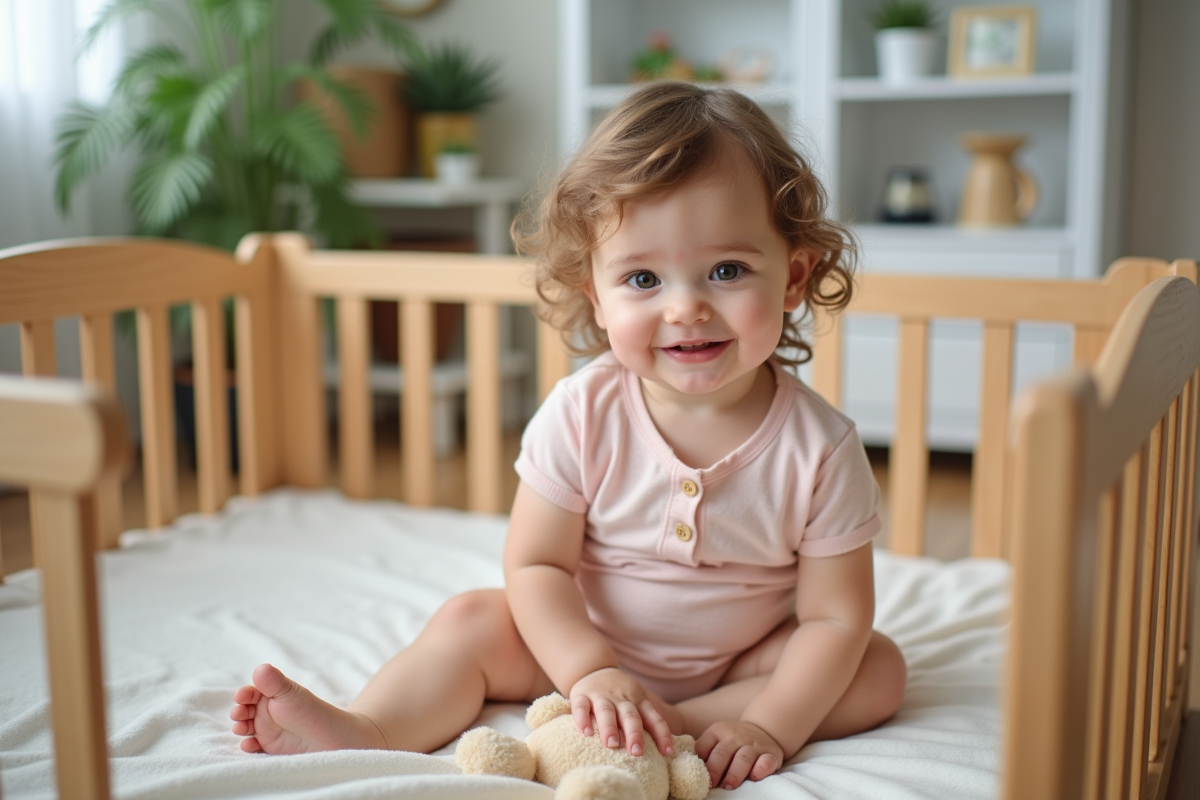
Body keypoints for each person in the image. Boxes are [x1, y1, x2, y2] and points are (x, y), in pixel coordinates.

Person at [230, 80, 907, 791]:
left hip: (740, 667)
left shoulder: (821, 448)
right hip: (575, 648)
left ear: (794, 276)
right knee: (470, 619)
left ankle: (667, 720)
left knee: (875, 668)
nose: (686, 308)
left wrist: (772, 723)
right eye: (643, 278)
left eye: (727, 271)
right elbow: (536, 567)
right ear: (596, 294)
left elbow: (833, 617)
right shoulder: (582, 412)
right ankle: (367, 728)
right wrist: (590, 669)